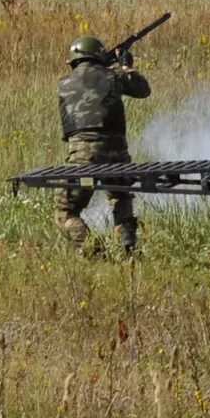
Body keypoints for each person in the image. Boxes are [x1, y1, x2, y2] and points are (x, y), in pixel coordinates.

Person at [51, 34, 149, 257]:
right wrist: (126, 66)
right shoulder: (113, 77)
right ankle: (129, 248)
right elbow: (142, 89)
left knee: (66, 213)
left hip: (83, 156)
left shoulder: (63, 84)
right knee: (120, 197)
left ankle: (95, 255)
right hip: (117, 154)